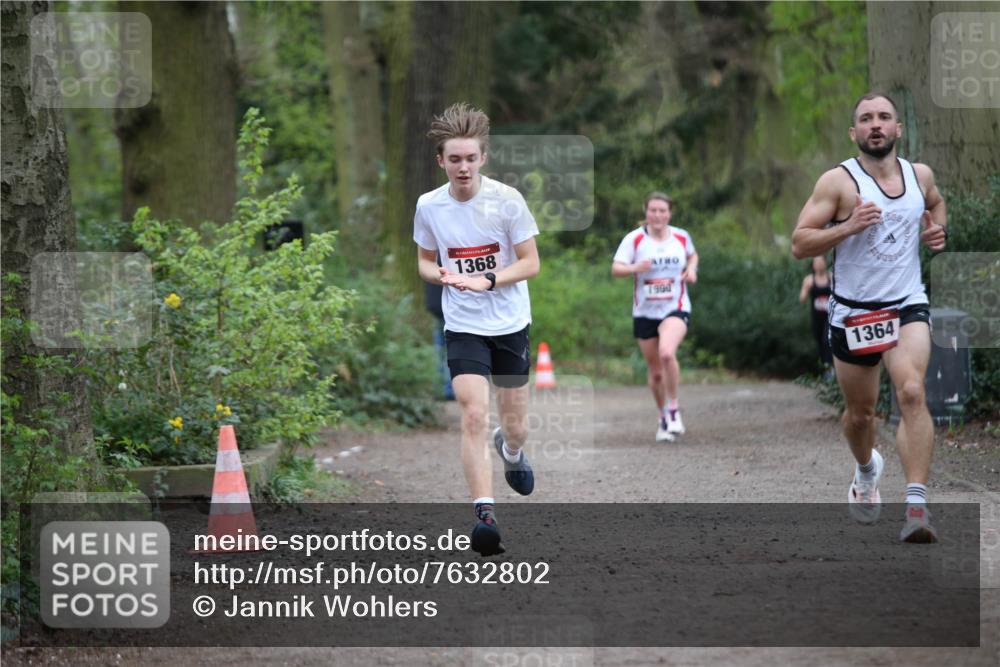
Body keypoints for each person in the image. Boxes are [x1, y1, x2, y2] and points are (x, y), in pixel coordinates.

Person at [791, 92, 947, 543]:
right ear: (853, 133)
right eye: (865, 119)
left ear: (898, 129)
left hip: (905, 305)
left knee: (912, 392)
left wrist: (937, 229)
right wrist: (848, 227)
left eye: (883, 117)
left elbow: (935, 203)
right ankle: (866, 470)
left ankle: (916, 508)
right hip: (854, 315)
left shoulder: (920, 176)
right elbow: (801, 243)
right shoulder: (838, 183)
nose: (875, 125)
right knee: (860, 417)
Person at [413, 102, 541, 556]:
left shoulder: (507, 201)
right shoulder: (429, 205)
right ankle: (484, 515)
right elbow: (426, 263)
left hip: (508, 322)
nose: (463, 166)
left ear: (482, 158)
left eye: (470, 158)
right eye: (454, 159)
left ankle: (510, 451)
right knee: (471, 413)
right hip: (464, 323)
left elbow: (531, 262)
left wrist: (486, 278)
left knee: (517, 426)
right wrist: (444, 276)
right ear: (441, 161)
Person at [612, 192, 698, 443]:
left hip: (676, 306)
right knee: (656, 372)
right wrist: (635, 268)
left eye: (663, 211)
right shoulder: (635, 239)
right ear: (645, 211)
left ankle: (674, 408)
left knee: (667, 353)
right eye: (653, 210)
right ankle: (662, 417)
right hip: (645, 311)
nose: (658, 215)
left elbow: (692, 255)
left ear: (669, 213)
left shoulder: (681, 236)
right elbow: (616, 268)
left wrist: (691, 269)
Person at [798, 255, 833, 371]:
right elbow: (802, 299)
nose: (818, 264)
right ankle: (823, 368)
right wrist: (806, 290)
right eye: (816, 262)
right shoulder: (809, 280)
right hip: (817, 317)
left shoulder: (831, 278)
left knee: (826, 340)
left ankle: (829, 370)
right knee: (820, 342)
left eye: (820, 261)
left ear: (825, 263)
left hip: (830, 317)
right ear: (813, 265)